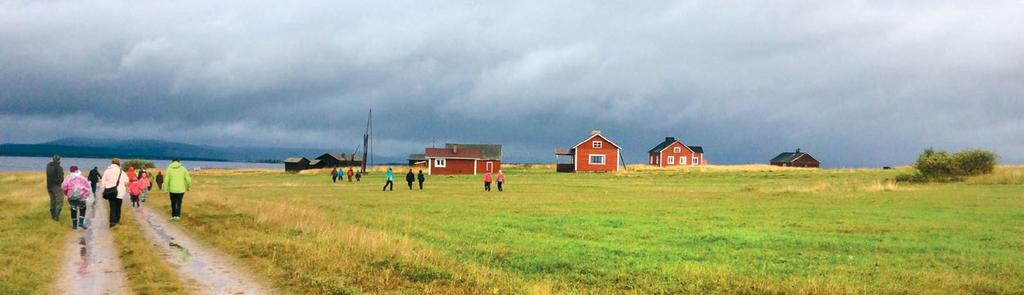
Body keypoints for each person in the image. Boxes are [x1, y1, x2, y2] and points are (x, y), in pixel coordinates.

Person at [61, 165, 92, 229]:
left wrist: (66, 194)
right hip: (81, 197)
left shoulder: (68, 178)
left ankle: (74, 225)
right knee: (82, 209)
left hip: (71, 197)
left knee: (73, 210)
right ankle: (81, 223)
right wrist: (86, 195)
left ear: (70, 171)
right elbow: (87, 187)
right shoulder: (82, 178)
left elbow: (64, 187)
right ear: (77, 170)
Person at [101, 158, 128, 227]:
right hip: (120, 192)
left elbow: (103, 182)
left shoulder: (107, 171)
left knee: (112, 207)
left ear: (112, 163)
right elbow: (127, 182)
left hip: (111, 191)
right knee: (118, 207)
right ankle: (117, 220)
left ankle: (112, 222)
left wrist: (103, 190)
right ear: (118, 164)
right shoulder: (122, 172)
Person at [46, 155, 65, 221]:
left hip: (49, 186)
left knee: (52, 201)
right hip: (57, 186)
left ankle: (52, 216)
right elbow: (61, 179)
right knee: (59, 202)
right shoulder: (59, 168)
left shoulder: (48, 166)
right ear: (58, 160)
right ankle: (56, 217)